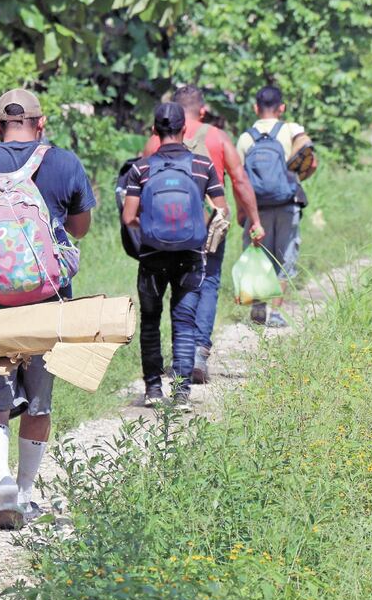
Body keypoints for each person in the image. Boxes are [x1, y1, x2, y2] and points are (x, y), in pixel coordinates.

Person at [0, 89, 95, 530]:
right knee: (39, 405)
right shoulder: (64, 163)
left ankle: (2, 482)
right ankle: (26, 494)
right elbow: (80, 228)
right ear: (40, 123)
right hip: (48, 303)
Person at [142, 85, 263, 384]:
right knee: (207, 282)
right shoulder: (218, 137)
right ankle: (196, 352)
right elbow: (240, 179)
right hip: (209, 223)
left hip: (163, 229)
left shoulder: (154, 141)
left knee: (169, 289)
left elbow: (141, 183)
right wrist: (254, 220)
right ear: (203, 110)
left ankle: (169, 362)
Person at [123, 103, 231, 410]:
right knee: (184, 322)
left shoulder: (141, 168)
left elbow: (128, 217)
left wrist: (152, 229)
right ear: (184, 129)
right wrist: (196, 227)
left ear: (154, 131)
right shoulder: (202, 165)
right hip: (190, 255)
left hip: (152, 256)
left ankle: (153, 390)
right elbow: (222, 209)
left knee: (150, 321)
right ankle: (181, 394)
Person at [235, 85, 318, 328]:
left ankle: (259, 303)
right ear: (281, 108)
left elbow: (239, 181)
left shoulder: (245, 138)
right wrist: (295, 181)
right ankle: (277, 313)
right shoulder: (291, 130)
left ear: (255, 108)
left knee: (258, 256)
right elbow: (312, 163)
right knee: (284, 259)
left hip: (256, 209)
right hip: (286, 205)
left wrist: (242, 211)